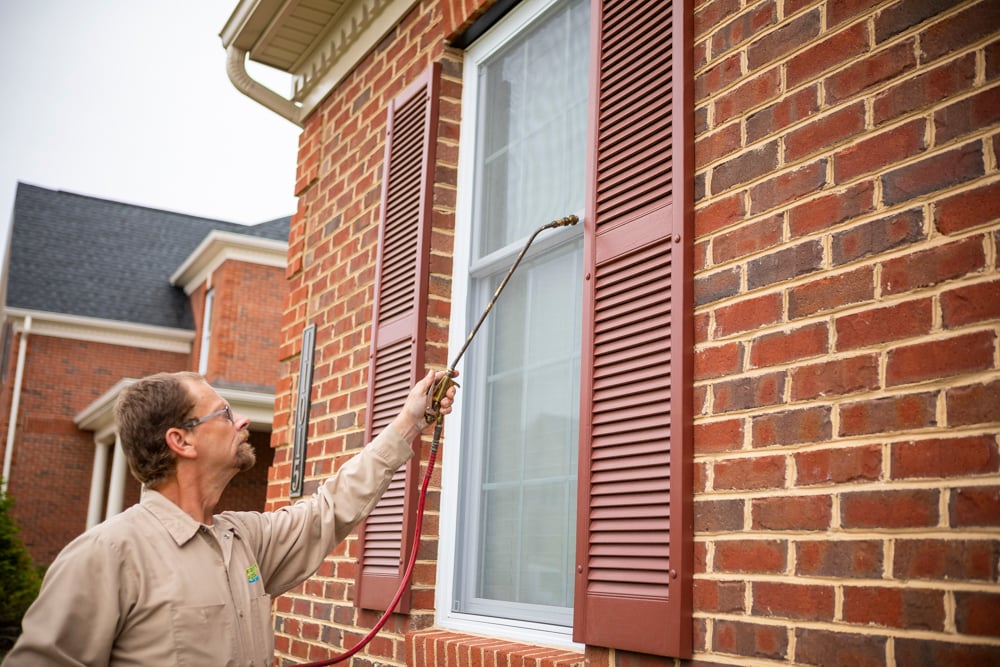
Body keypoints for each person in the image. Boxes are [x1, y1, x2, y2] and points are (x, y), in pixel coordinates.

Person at [4, 368, 456, 666]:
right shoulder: (108, 554)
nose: (241, 421)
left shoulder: (244, 539)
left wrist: (408, 422)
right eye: (224, 413)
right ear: (181, 441)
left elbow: (330, 508)